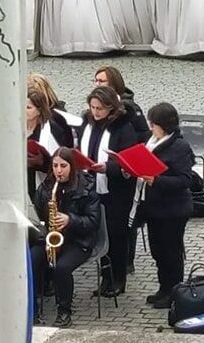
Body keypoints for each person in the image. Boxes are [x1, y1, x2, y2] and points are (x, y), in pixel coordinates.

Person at [77, 86, 138, 297]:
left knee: (115, 234)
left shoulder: (123, 127)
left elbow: (129, 162)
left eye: (100, 108)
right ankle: (105, 278)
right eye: (93, 107)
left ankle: (118, 278)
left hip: (115, 190)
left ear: (111, 108)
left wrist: (107, 167)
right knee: (99, 231)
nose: (95, 112)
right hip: (90, 183)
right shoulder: (87, 122)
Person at [30, 147, 101, 328]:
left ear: (73, 166)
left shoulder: (86, 187)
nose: (58, 171)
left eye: (63, 166)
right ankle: (32, 310)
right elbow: (35, 216)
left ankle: (64, 312)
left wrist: (70, 220)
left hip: (79, 241)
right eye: (55, 166)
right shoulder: (47, 186)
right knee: (31, 260)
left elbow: (93, 222)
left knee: (61, 267)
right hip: (52, 238)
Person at [134, 103, 195, 309]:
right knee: (157, 250)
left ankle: (174, 291)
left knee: (172, 252)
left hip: (173, 209)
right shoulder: (151, 142)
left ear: (164, 125)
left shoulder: (179, 147)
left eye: (154, 124)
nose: (151, 128)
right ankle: (164, 287)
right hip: (154, 208)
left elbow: (186, 180)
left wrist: (156, 180)